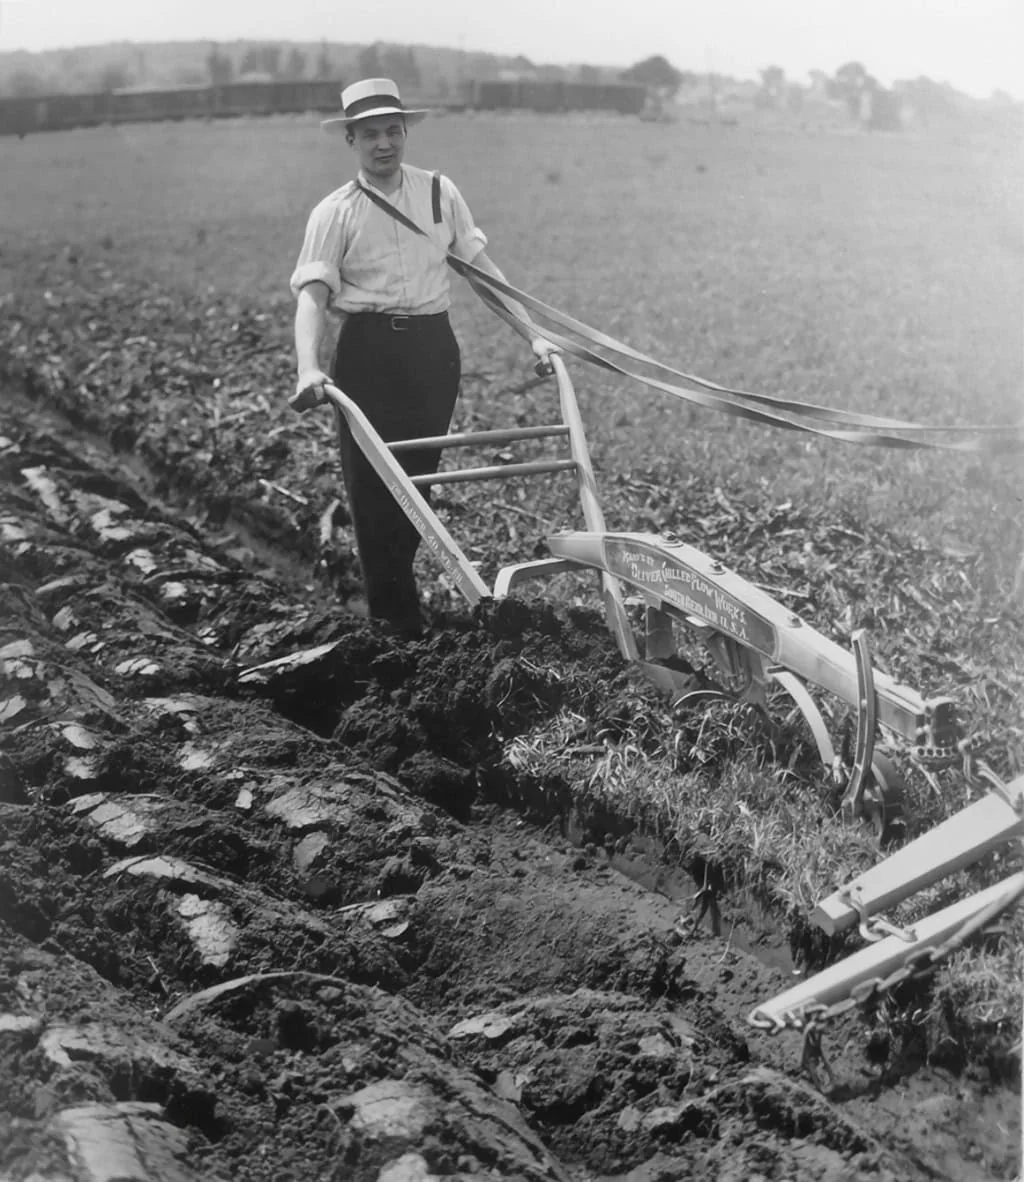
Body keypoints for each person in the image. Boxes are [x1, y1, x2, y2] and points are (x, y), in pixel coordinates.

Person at [289, 77, 555, 637]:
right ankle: (394, 626)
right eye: (370, 135)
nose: (383, 144)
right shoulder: (334, 213)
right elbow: (312, 299)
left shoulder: (439, 193)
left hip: (433, 352)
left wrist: (533, 335)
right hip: (367, 354)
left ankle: (400, 610)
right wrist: (308, 368)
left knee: (416, 486)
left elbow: (484, 275)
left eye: (392, 131)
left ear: (405, 131)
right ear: (351, 141)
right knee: (372, 491)